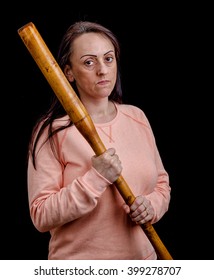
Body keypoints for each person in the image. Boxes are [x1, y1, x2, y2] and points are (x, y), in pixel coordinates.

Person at [27, 20, 171, 260]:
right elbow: (41, 215)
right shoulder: (51, 132)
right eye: (89, 62)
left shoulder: (137, 117)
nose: (102, 70)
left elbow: (162, 183)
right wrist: (96, 178)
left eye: (108, 58)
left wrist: (151, 206)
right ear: (68, 72)